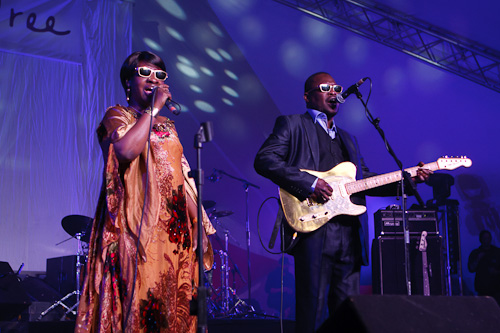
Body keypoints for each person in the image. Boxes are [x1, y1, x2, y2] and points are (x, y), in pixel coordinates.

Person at [254, 72, 431, 332]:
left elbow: (365, 180)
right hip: (313, 230)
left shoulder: (349, 139)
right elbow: (265, 160)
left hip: (350, 235)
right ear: (307, 96)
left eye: (336, 88)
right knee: (312, 311)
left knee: (347, 313)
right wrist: (311, 184)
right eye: (325, 88)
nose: (334, 92)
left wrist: (411, 180)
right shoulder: (292, 125)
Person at [75, 51, 216, 332]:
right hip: (136, 228)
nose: (153, 79)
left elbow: (181, 178)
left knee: (173, 306)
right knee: (140, 303)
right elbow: (126, 150)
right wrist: (152, 110)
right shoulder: (116, 116)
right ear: (128, 82)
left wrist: (199, 223)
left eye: (159, 75)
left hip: (175, 231)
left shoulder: (168, 125)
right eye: (144, 73)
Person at [468, 230, 500, 304]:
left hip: (497, 289)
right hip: (482, 289)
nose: (487, 240)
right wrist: (478, 259)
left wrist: (496, 272)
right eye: (484, 238)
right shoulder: (476, 253)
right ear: (481, 239)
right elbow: (471, 268)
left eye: (488, 238)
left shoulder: (497, 252)